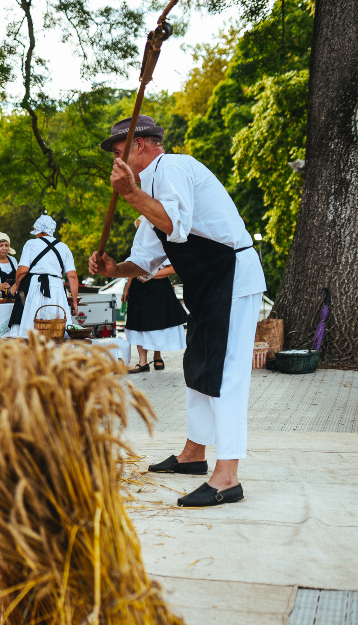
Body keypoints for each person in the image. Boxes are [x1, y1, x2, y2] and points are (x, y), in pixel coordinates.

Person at [89, 115, 265, 508]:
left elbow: (176, 226)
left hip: (233, 277)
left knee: (226, 373)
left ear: (142, 146)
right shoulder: (148, 189)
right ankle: (193, 455)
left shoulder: (172, 168)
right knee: (198, 368)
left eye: (118, 152)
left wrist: (131, 194)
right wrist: (115, 270)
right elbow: (145, 262)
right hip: (206, 285)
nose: (114, 163)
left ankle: (227, 477)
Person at [122, 216, 187, 373]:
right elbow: (132, 266)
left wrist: (151, 274)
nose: (140, 231)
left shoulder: (163, 244)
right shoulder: (137, 246)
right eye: (138, 228)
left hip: (158, 288)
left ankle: (157, 356)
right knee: (138, 322)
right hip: (138, 289)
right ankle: (143, 362)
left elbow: (172, 268)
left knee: (157, 323)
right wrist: (127, 288)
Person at [9, 215, 78, 337]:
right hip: (57, 288)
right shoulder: (64, 247)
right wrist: (74, 302)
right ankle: (57, 353)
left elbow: (22, 271)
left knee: (33, 324)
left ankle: (31, 351)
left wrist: (18, 284)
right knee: (57, 328)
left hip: (35, 287)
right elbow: (72, 277)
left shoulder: (31, 244)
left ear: (39, 230)